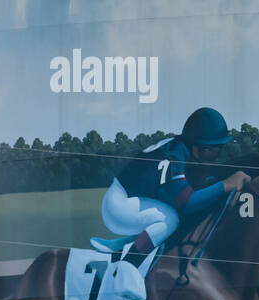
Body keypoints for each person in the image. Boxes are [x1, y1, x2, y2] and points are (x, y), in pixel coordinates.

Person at [100, 107, 251, 269]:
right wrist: (226, 184)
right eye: (210, 150)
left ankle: (122, 245)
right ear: (196, 146)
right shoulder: (174, 155)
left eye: (218, 149)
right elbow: (186, 203)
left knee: (169, 216)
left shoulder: (181, 149)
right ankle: (128, 267)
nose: (215, 157)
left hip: (130, 200)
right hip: (118, 206)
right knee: (170, 219)